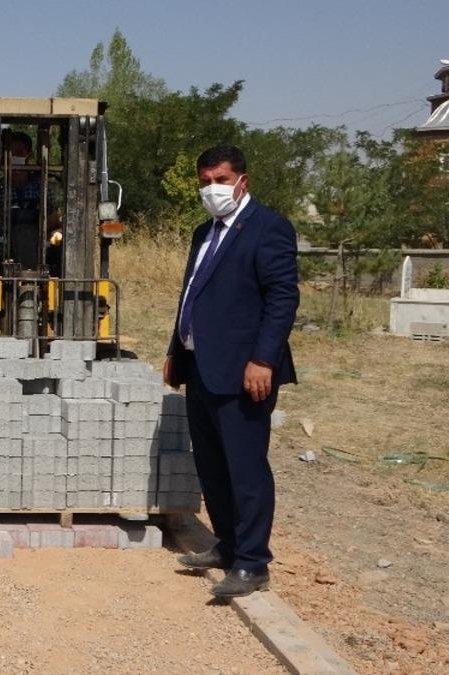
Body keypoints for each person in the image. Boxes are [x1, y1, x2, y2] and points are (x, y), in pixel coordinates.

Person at [163, 144, 299, 599]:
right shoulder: (204, 232)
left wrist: (263, 359)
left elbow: (282, 298)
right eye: (205, 182)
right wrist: (175, 350)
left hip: (246, 370)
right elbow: (192, 296)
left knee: (245, 468)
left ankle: (253, 562)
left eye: (220, 180)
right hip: (202, 366)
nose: (212, 189)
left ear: (243, 180)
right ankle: (228, 545)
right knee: (213, 466)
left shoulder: (268, 228)